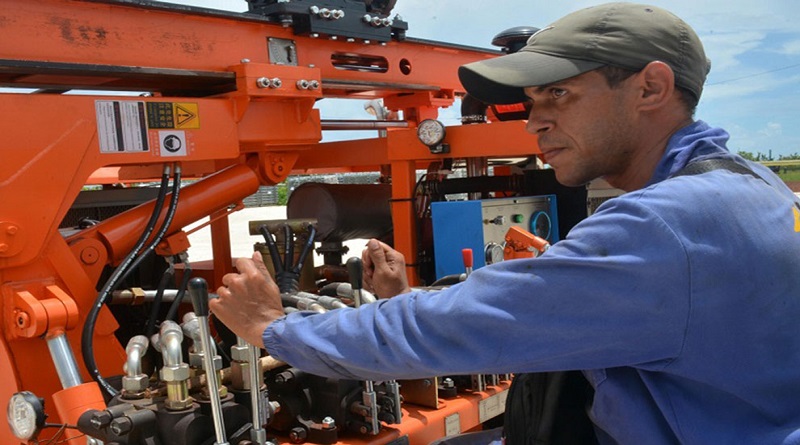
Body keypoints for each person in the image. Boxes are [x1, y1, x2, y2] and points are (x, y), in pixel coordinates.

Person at [210, 3, 800, 444]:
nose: (534, 123)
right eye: (532, 102)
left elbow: (456, 327)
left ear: (650, 87)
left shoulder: (666, 224)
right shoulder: (752, 189)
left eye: (558, 94)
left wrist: (275, 329)